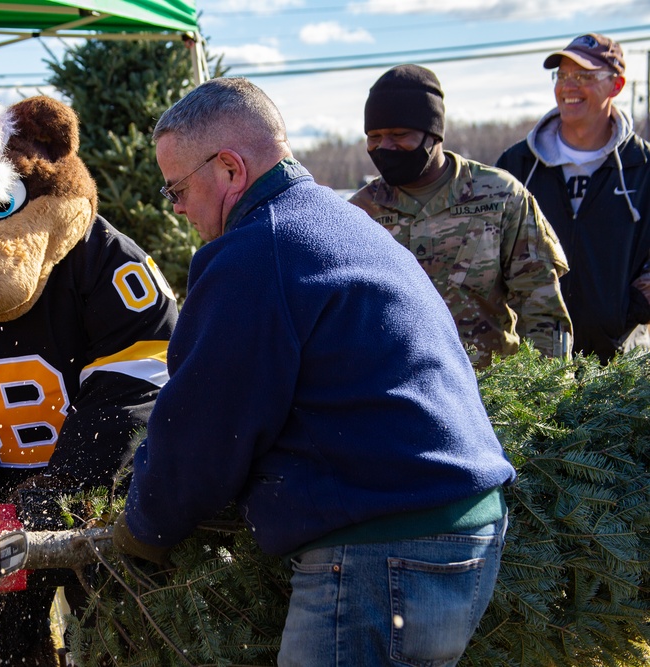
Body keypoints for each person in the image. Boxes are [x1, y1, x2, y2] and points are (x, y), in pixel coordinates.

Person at [112, 77, 517, 667]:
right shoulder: (334, 220)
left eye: (176, 188)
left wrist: (144, 527)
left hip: (387, 547)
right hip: (459, 526)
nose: (174, 208)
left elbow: (206, 430)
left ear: (229, 168)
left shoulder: (258, 251)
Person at [350, 64, 572, 367]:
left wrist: (548, 394)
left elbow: (541, 306)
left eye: (399, 134)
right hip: (398, 395)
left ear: (433, 134)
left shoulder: (499, 196)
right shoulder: (360, 212)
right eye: (374, 137)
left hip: (493, 398)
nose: (384, 147)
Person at [496, 34, 650, 363]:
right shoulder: (517, 166)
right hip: (530, 370)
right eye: (562, 76)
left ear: (617, 85)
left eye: (585, 77)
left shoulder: (644, 168)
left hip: (619, 371)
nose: (569, 86)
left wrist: (621, 314)